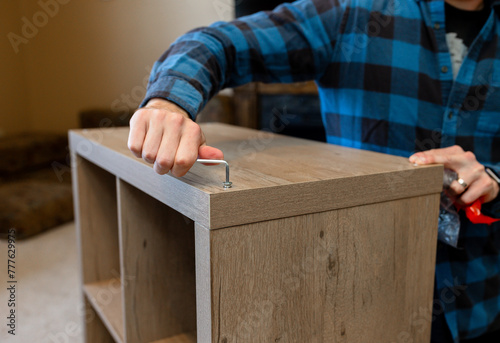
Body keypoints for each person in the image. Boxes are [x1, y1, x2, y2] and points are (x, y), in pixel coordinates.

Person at [127, 0, 500, 341]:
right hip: (358, 291)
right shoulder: (352, 12)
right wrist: (169, 102)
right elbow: (217, 43)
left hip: (480, 296)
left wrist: (495, 177)